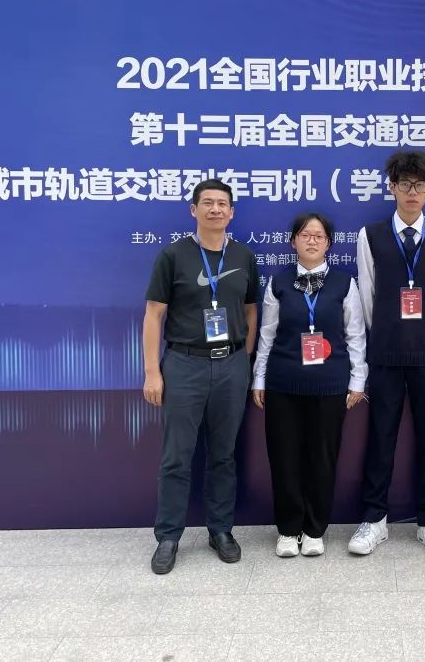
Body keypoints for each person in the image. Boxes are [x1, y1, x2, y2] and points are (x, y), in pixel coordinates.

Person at [143, 179, 260, 573]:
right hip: (185, 364)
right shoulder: (173, 255)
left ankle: (220, 530)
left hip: (231, 365)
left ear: (232, 212)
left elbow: (251, 310)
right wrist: (152, 371)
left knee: (223, 455)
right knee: (177, 456)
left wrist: (243, 358)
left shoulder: (243, 256)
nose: (215, 209)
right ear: (193, 210)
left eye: (222, 204)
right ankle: (168, 537)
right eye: (207, 203)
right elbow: (154, 314)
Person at [349, 149, 425, 558]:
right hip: (386, 351)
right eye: (405, 184)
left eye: (420, 185)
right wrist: (386, 333)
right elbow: (367, 294)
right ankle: (374, 519)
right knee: (381, 436)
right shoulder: (371, 234)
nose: (413, 192)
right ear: (392, 187)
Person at [251, 212, 368, 558]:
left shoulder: (345, 284)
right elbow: (267, 334)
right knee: (284, 457)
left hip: (330, 385)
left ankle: (315, 529)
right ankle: (288, 530)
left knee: (323, 458)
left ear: (329, 243)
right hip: (283, 384)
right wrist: (259, 378)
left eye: (319, 235)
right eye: (305, 235)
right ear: (293, 242)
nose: (312, 240)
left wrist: (358, 380)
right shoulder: (278, 282)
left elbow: (355, 335)